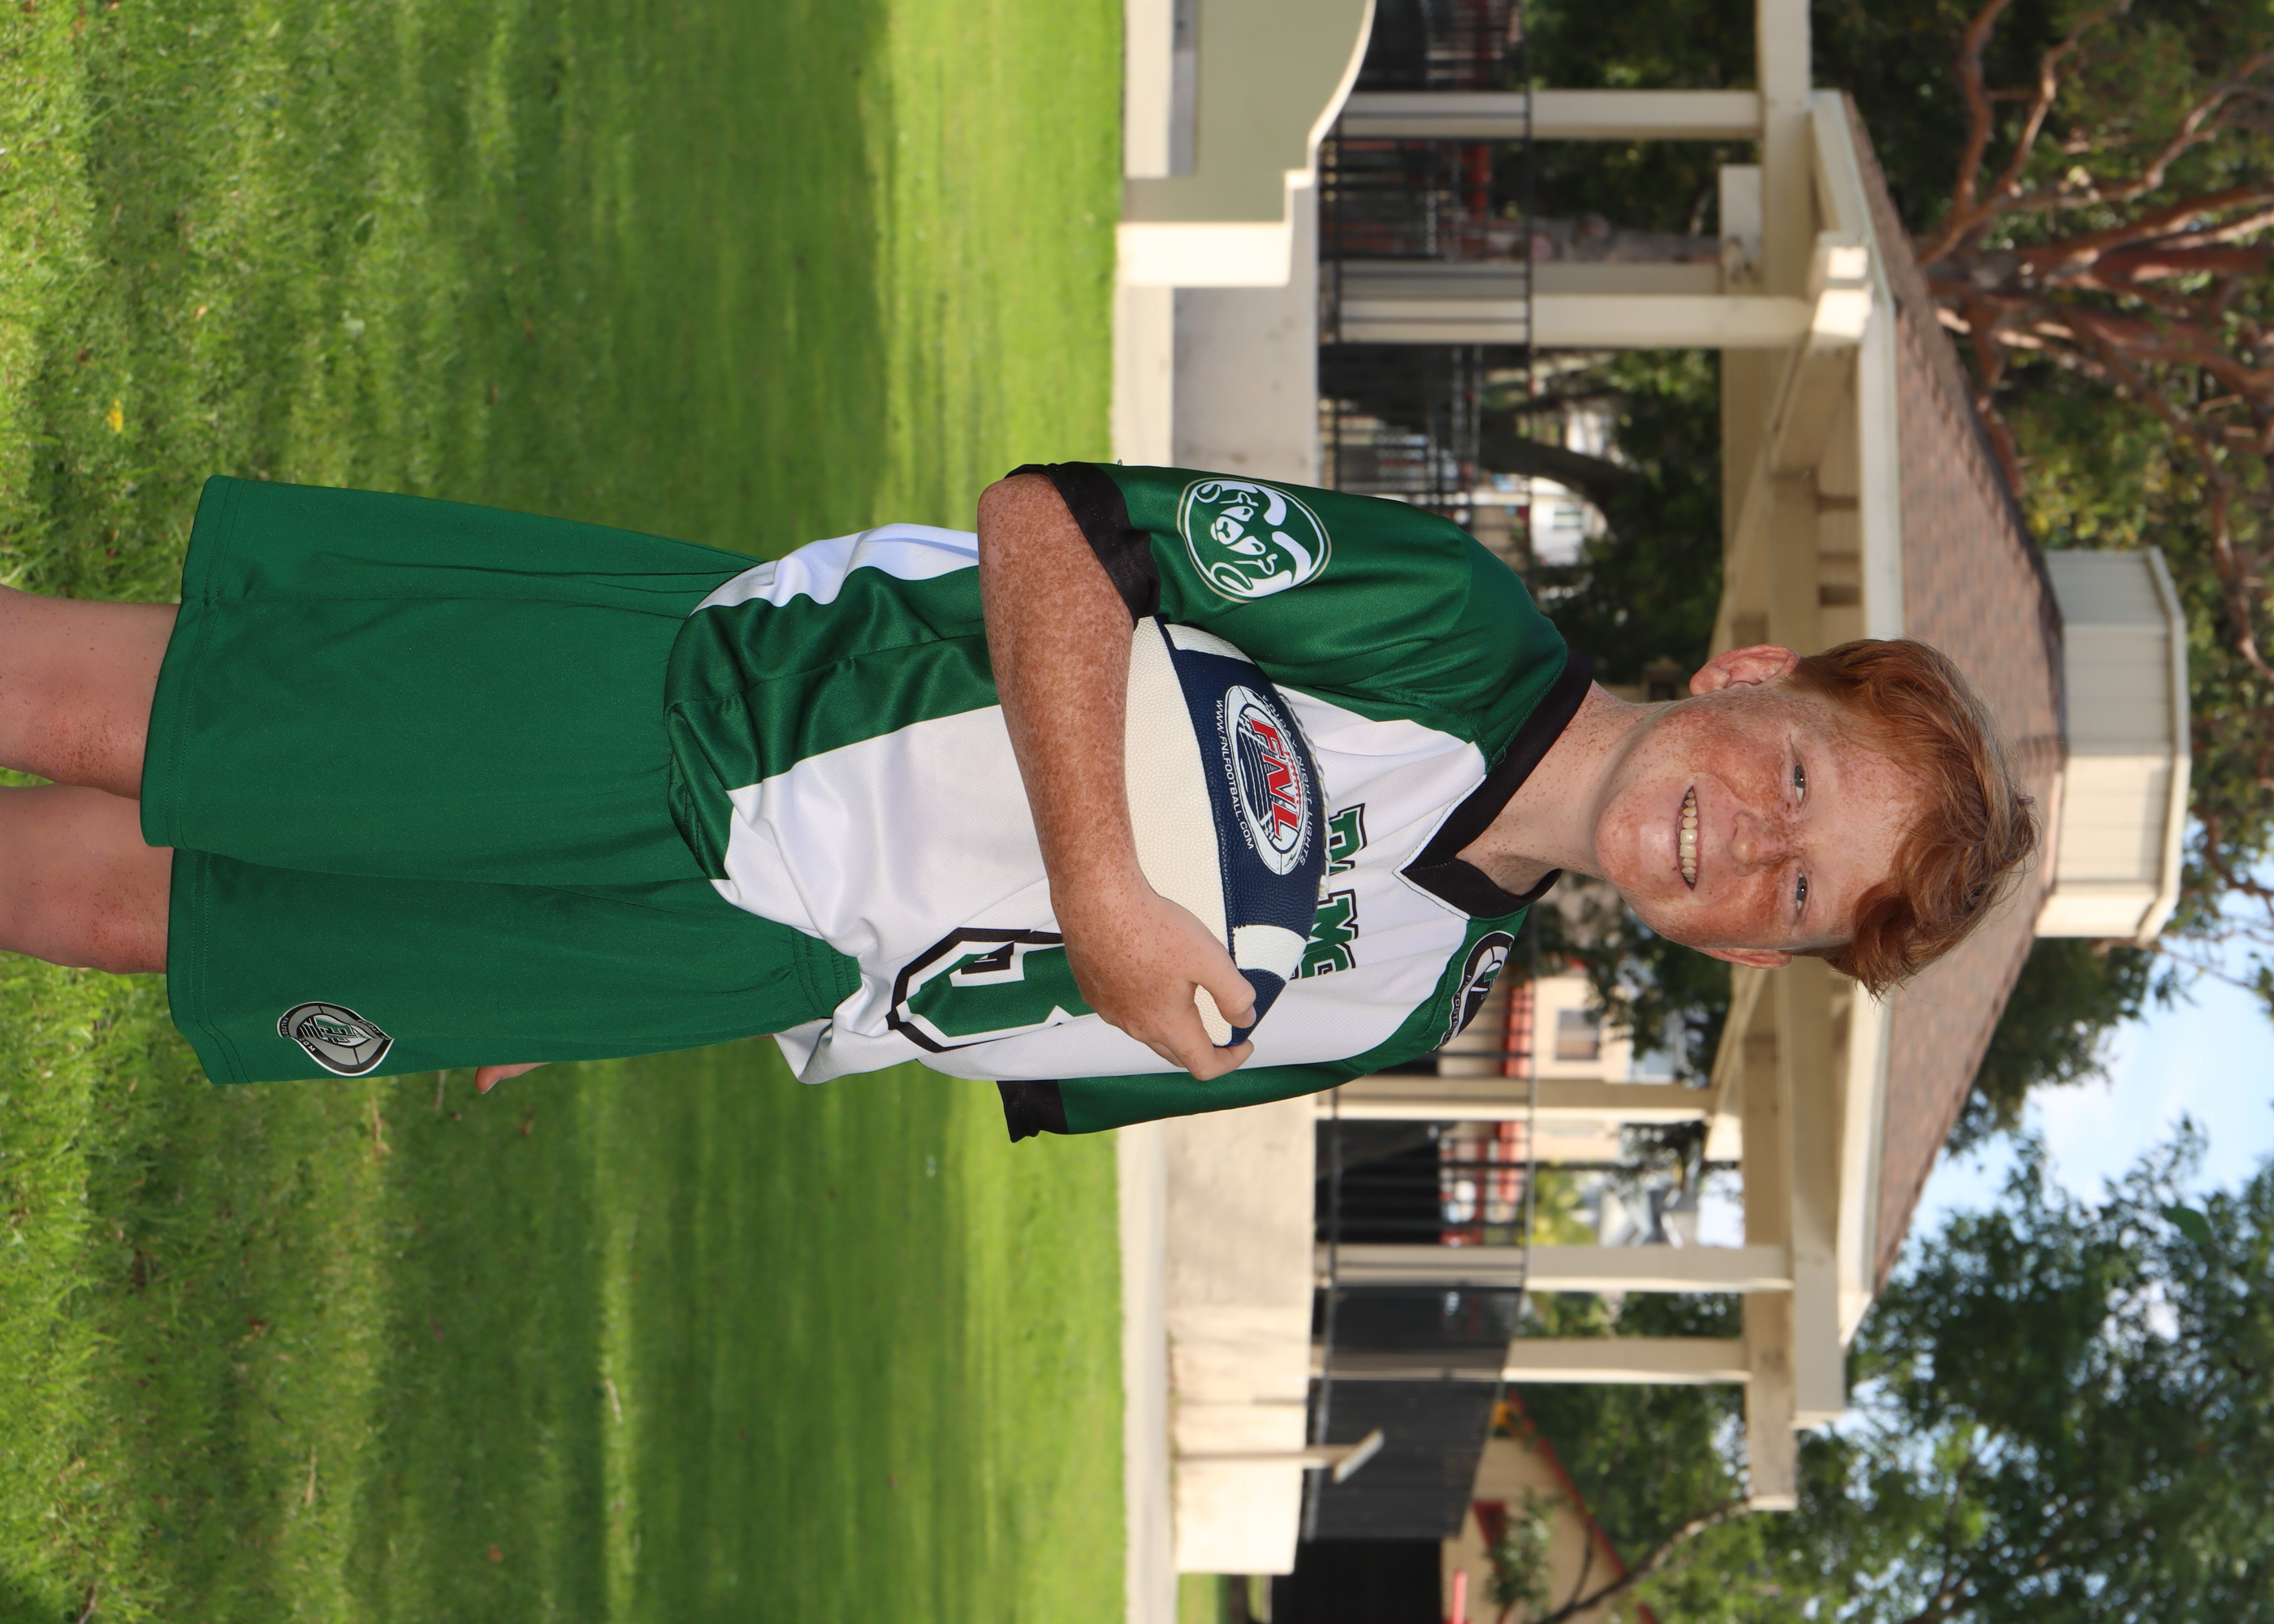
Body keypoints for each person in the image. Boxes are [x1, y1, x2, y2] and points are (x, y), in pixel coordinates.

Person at [0, 463, 2037, 1138]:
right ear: (1748, 676)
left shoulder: (1408, 1000)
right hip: (740, 726)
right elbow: (1049, 530)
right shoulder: (1445, 621)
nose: (1748, 844)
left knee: (140, 914)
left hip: (734, 950)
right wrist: (1105, 878)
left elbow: (1018, 1035)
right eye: (1790, 780)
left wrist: (614, 990)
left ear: (1747, 952)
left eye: (1793, 894)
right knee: (123, 719)